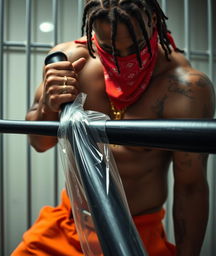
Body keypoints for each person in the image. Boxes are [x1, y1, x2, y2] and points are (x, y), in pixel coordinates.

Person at [12, 0, 215, 255]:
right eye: (108, 48)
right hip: (71, 225)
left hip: (139, 233)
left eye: (135, 46)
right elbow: (39, 143)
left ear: (153, 20)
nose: (123, 60)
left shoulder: (185, 88)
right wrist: (48, 105)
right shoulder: (71, 60)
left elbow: (191, 186)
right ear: (92, 30)